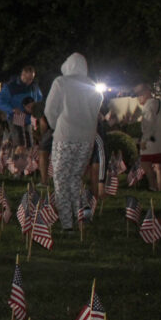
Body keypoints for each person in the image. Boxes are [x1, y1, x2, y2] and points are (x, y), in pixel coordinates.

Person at [43, 53, 103, 230]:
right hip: (86, 139)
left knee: (61, 180)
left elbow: (50, 110)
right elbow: (97, 109)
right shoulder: (93, 86)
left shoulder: (61, 82)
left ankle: (67, 223)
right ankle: (83, 217)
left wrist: (56, 125)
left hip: (66, 137)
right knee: (75, 178)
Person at [0, 66, 43, 151]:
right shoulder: (11, 86)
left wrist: (35, 108)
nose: (29, 82)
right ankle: (16, 161)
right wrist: (11, 109)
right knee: (21, 145)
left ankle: (11, 151)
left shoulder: (34, 86)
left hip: (28, 118)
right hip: (17, 116)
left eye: (31, 79)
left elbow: (39, 99)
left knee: (29, 145)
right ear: (22, 75)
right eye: (27, 79)